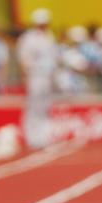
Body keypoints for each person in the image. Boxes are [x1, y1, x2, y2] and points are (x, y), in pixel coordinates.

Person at [16, 8, 58, 149]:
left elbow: (53, 57)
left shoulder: (49, 36)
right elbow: (23, 58)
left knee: (45, 107)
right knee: (34, 106)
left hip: (47, 76)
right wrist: (25, 74)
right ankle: (32, 138)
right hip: (35, 75)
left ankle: (44, 138)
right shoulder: (28, 38)